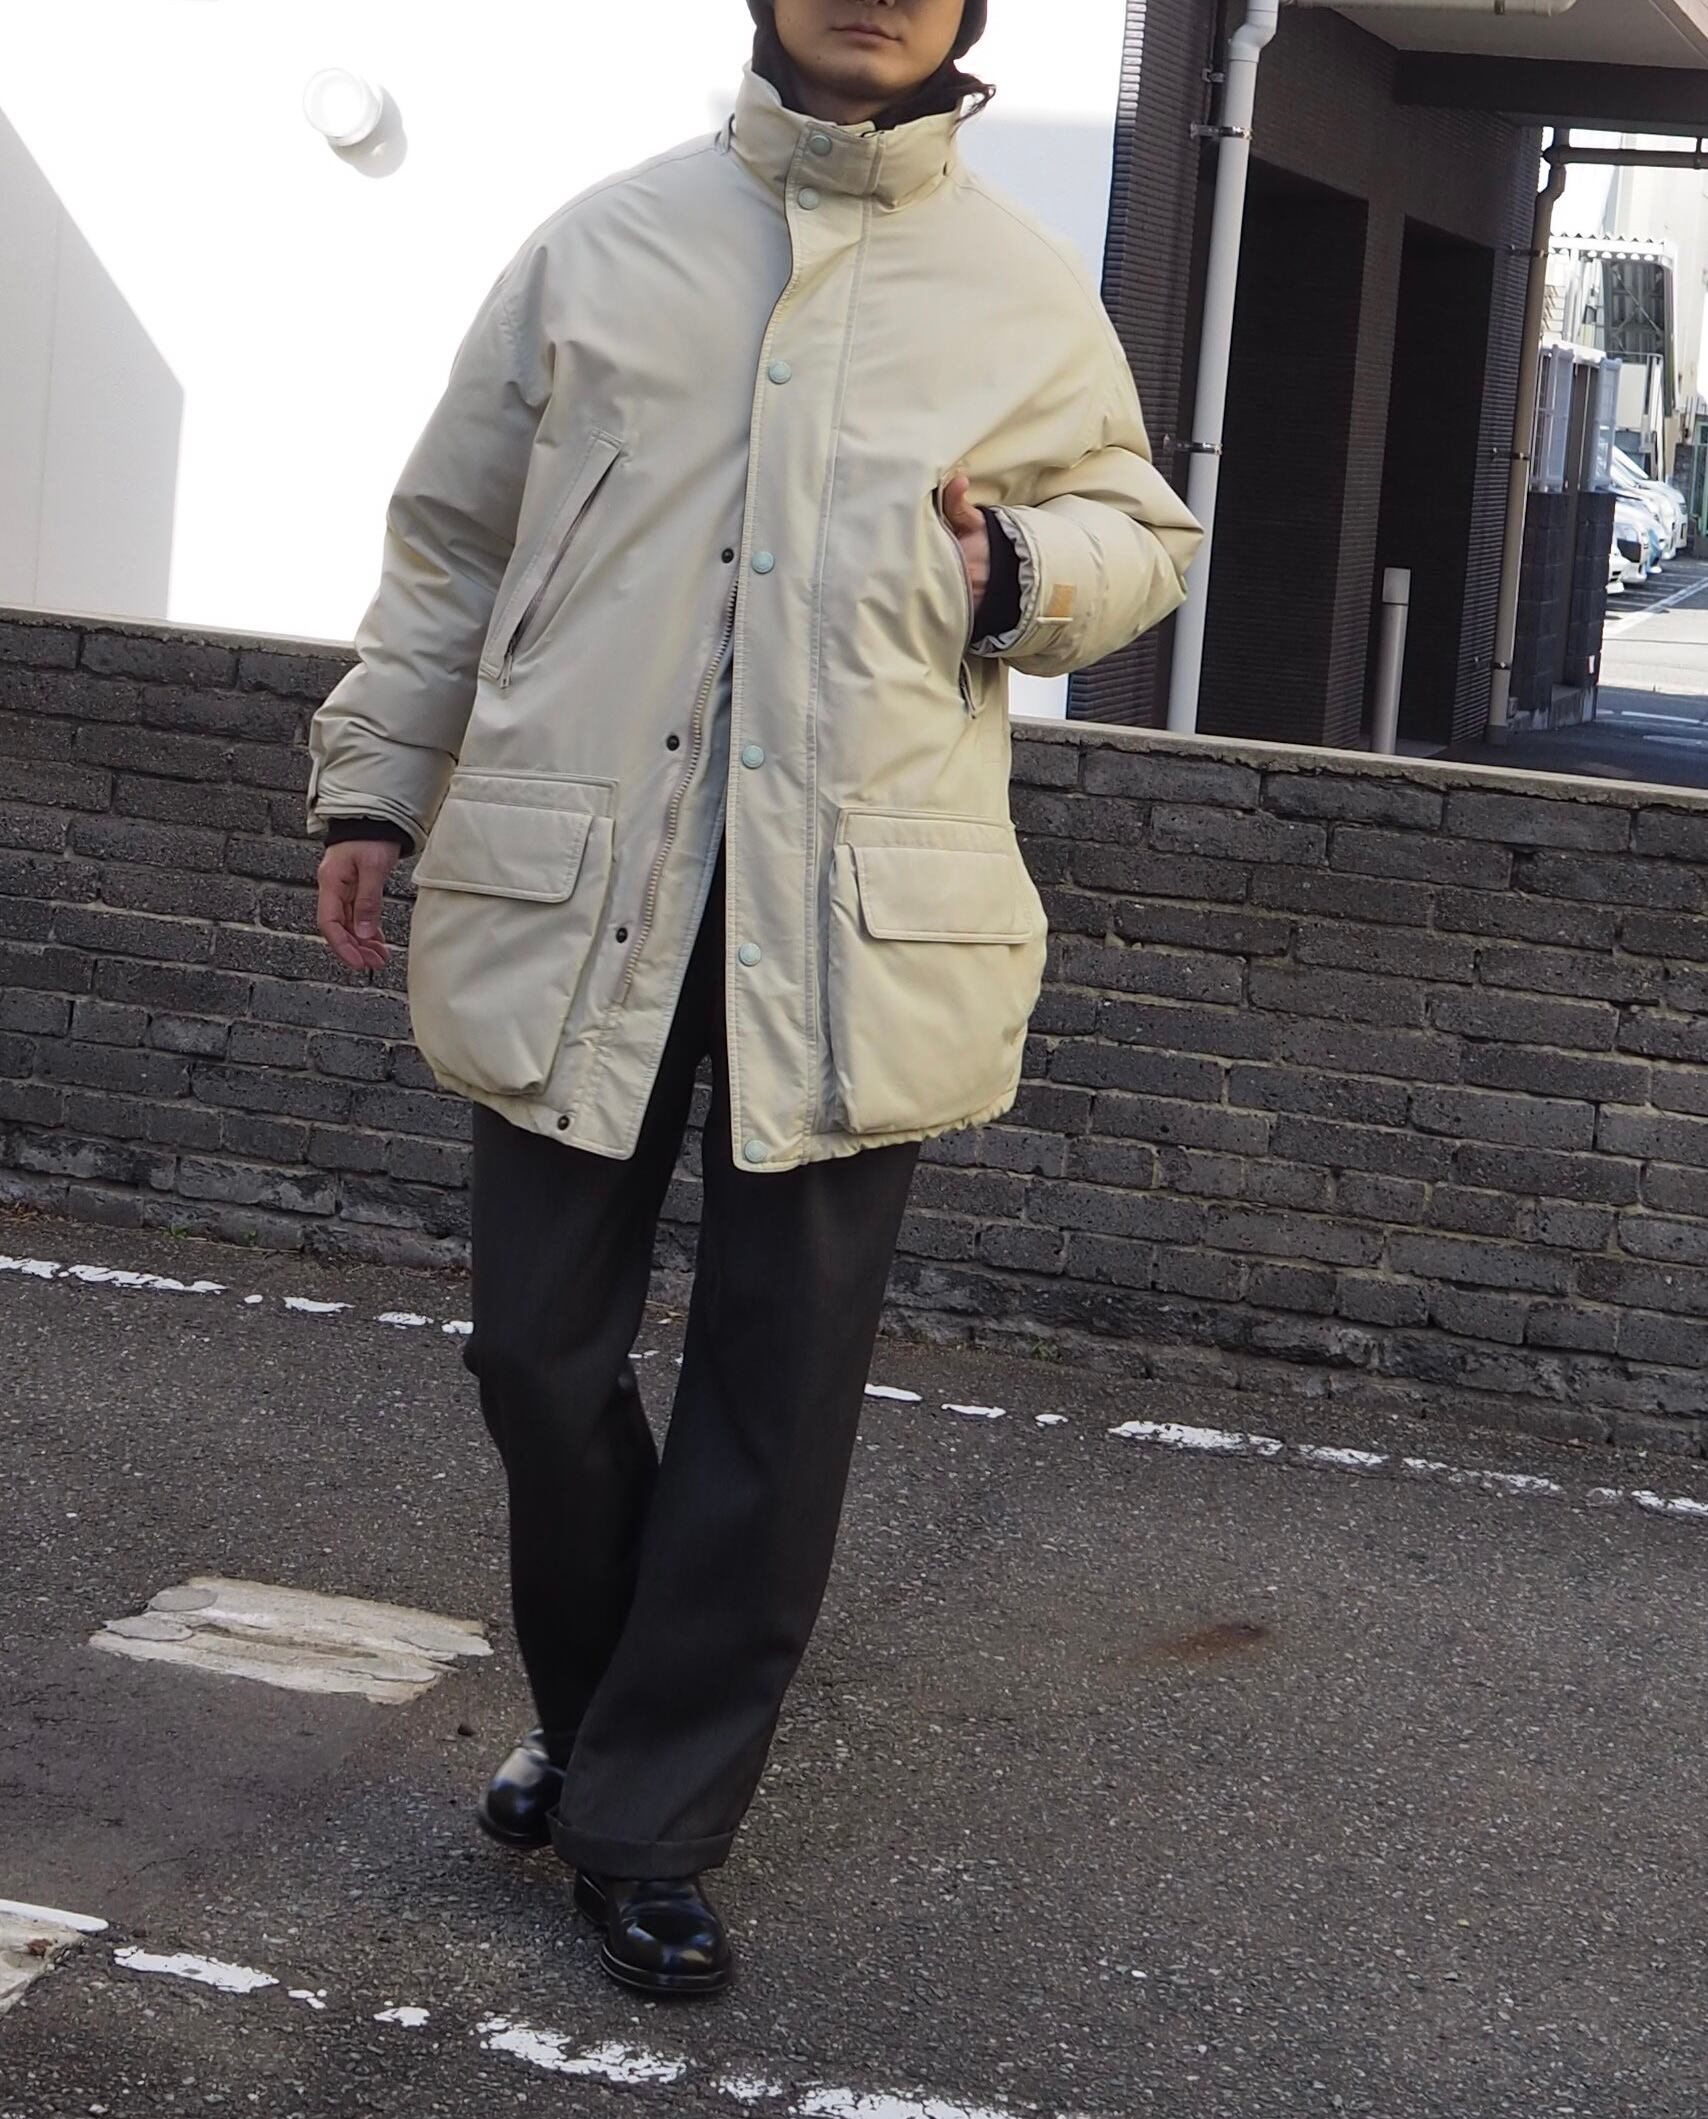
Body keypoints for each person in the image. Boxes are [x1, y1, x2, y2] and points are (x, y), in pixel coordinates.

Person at [307, 0, 1202, 1999]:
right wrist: (375, 782)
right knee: (534, 1356)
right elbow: (451, 544)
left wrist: (1014, 571)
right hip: (580, 889)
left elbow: (1141, 532)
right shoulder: (599, 244)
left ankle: (643, 1818)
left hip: (856, 919)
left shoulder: (1018, 285)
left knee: (773, 1394)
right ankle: (607, 1718)